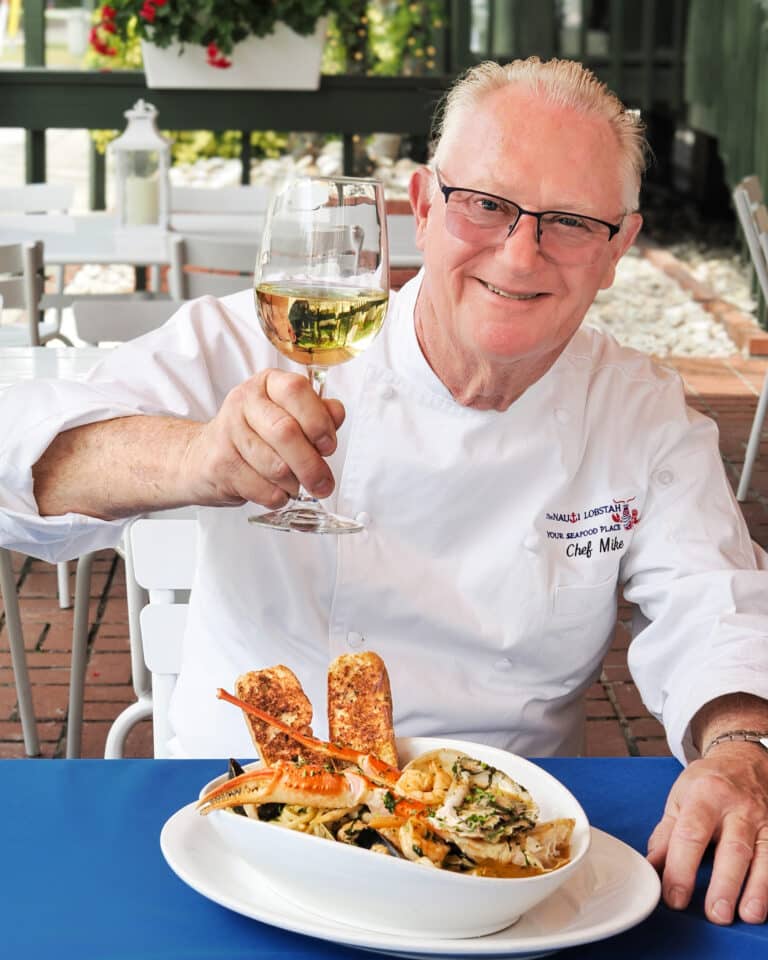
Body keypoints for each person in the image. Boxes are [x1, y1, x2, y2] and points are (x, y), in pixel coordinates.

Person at [2, 57, 768, 925]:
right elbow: (16, 460)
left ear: (619, 247)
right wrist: (199, 459)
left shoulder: (639, 411)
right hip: (245, 830)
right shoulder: (250, 343)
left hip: (497, 861)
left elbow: (718, 605)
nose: (520, 253)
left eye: (568, 221)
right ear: (424, 204)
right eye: (485, 203)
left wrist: (741, 751)